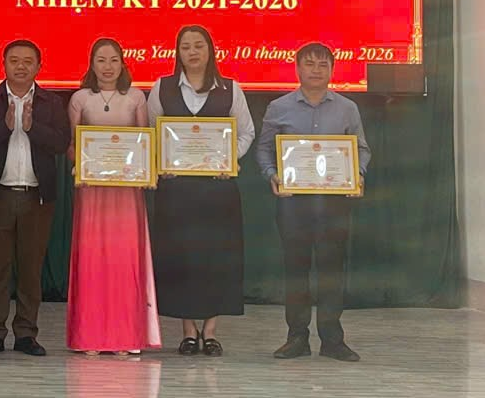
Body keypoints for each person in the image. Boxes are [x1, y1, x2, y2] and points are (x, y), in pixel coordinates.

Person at [255, 42, 370, 363]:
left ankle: (333, 340)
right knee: (296, 271)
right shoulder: (279, 107)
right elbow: (264, 149)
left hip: (334, 204)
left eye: (323, 64)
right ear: (297, 68)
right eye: (309, 63)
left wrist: (357, 175)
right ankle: (297, 338)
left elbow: (361, 149)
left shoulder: (347, 108)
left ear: (332, 70)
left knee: (332, 271)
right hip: (293, 203)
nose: (316, 70)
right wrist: (272, 175)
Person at [146, 25, 255, 356]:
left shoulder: (231, 89)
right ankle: (188, 332)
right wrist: (160, 161)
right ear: (177, 53)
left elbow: (246, 133)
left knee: (215, 260)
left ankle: (210, 331)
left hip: (217, 190)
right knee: (182, 260)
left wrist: (228, 159)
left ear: (210, 51)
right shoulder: (162, 88)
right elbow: (152, 134)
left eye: (198, 46)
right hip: (176, 191)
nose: (192, 52)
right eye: (185, 47)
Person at [0, 39, 69, 357]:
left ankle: (26, 333)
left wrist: (31, 127)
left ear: (39, 66)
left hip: (36, 197)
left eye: (28, 61)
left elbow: (61, 143)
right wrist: (5, 127)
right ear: (4, 65)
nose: (21, 66)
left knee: (30, 269)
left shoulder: (51, 103)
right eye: (14, 60)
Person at [66, 38, 160, 356]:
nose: (108, 67)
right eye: (101, 60)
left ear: (123, 64)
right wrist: (82, 162)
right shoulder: (80, 98)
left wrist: (146, 171)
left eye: (114, 60)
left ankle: (127, 337)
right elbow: (72, 145)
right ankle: (90, 337)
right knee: (92, 260)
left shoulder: (136, 97)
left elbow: (145, 141)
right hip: (92, 191)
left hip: (127, 192)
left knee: (125, 259)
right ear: (91, 64)